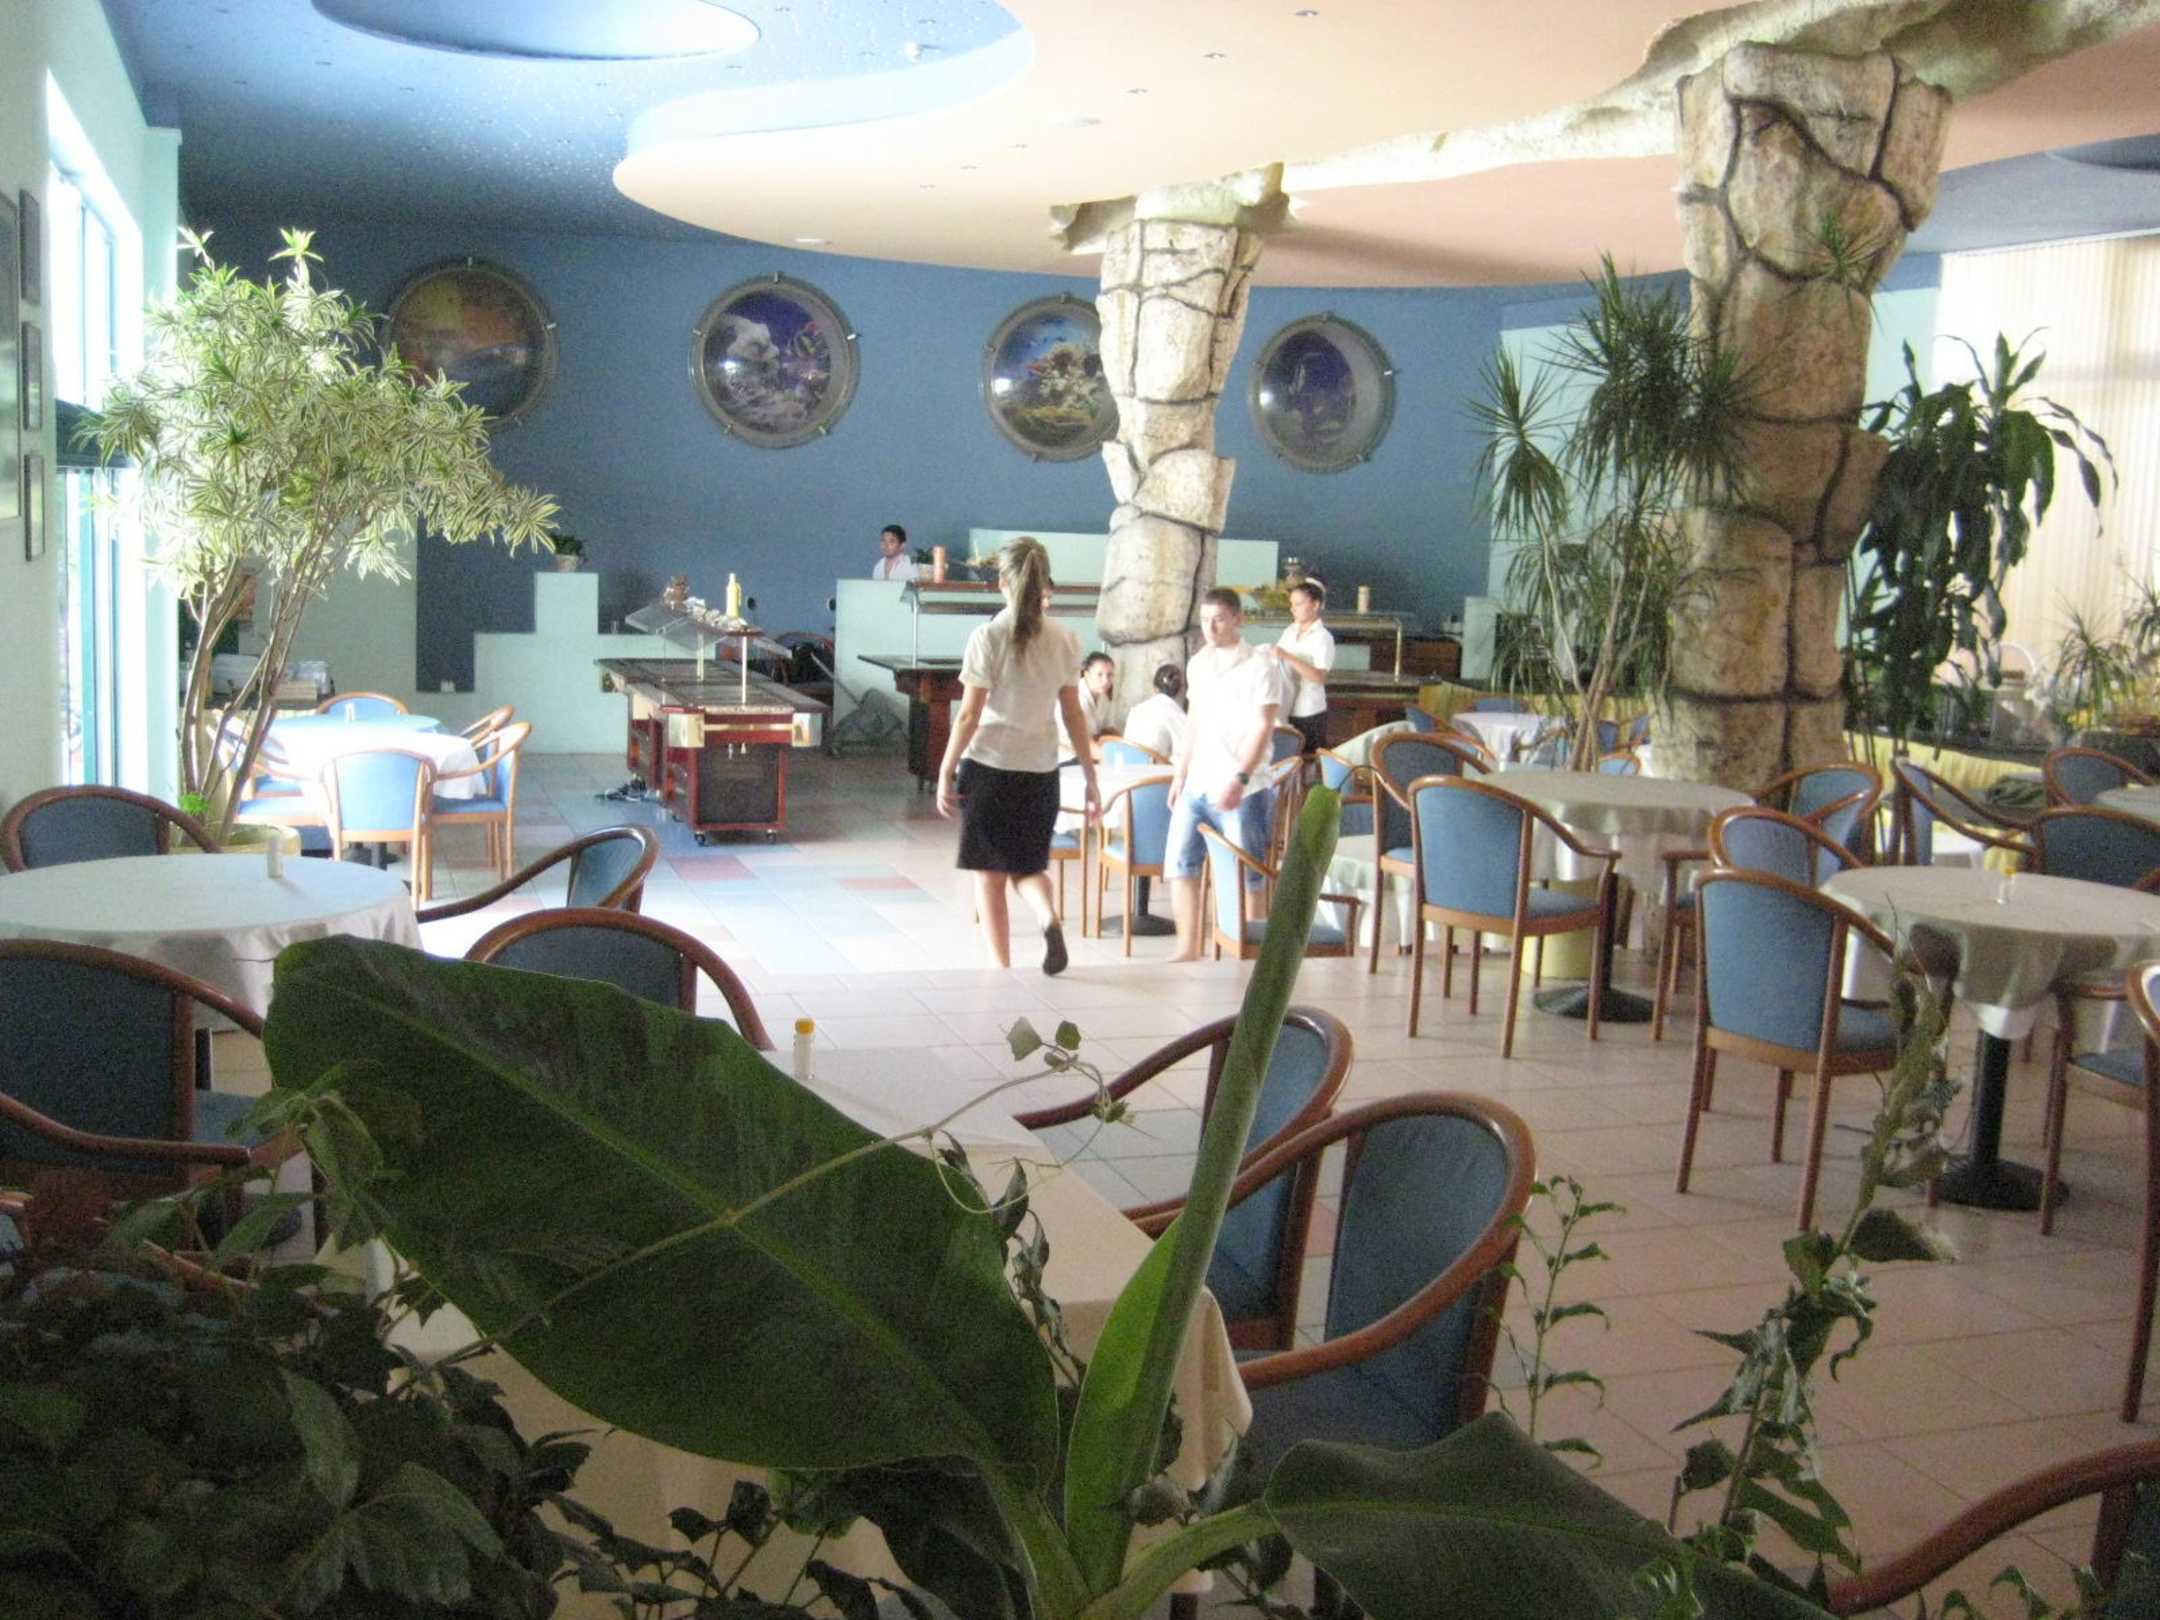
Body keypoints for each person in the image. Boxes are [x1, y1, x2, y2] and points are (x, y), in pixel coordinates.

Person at [936, 537, 1100, 973]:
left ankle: (1001, 969)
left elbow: (969, 714)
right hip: (1041, 771)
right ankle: (1047, 916)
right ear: (1045, 583)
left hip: (989, 768)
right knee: (1027, 867)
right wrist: (1090, 775)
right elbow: (1074, 714)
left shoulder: (987, 637)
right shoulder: (1066, 639)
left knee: (989, 877)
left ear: (1002, 582)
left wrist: (946, 768)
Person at [1166, 588, 1292, 962]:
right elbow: (1193, 721)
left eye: (1219, 619)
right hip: (1197, 781)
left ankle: (1252, 953)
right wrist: (1179, 773)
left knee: (1248, 873)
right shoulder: (1199, 663)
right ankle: (1187, 948)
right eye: (1205, 620)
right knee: (1180, 864)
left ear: (1238, 618)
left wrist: (1241, 777)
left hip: (1245, 786)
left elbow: (1264, 726)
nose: (1211, 627)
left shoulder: (1260, 665)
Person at [1273, 578, 1334, 753]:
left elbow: (1319, 677)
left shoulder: (1323, 637)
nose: (1293, 609)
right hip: (1286, 707)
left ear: (1315, 605)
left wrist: (1287, 656)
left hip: (1309, 710)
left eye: (1298, 604)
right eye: (1291, 604)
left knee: (1309, 759)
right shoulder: (1290, 631)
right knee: (1288, 757)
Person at [1121, 663, 1187, 761]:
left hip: (1128, 765)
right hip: (1155, 768)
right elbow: (1186, 752)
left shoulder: (1136, 710)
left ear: (1155, 688)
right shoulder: (1177, 714)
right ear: (1182, 689)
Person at [1077, 652, 1115, 744]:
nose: (1105, 681)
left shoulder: (1103, 697)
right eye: (1099, 674)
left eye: (1109, 675)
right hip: (1070, 749)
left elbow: (1107, 729)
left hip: (1093, 744)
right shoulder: (1076, 697)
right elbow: (1077, 739)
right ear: (1086, 674)